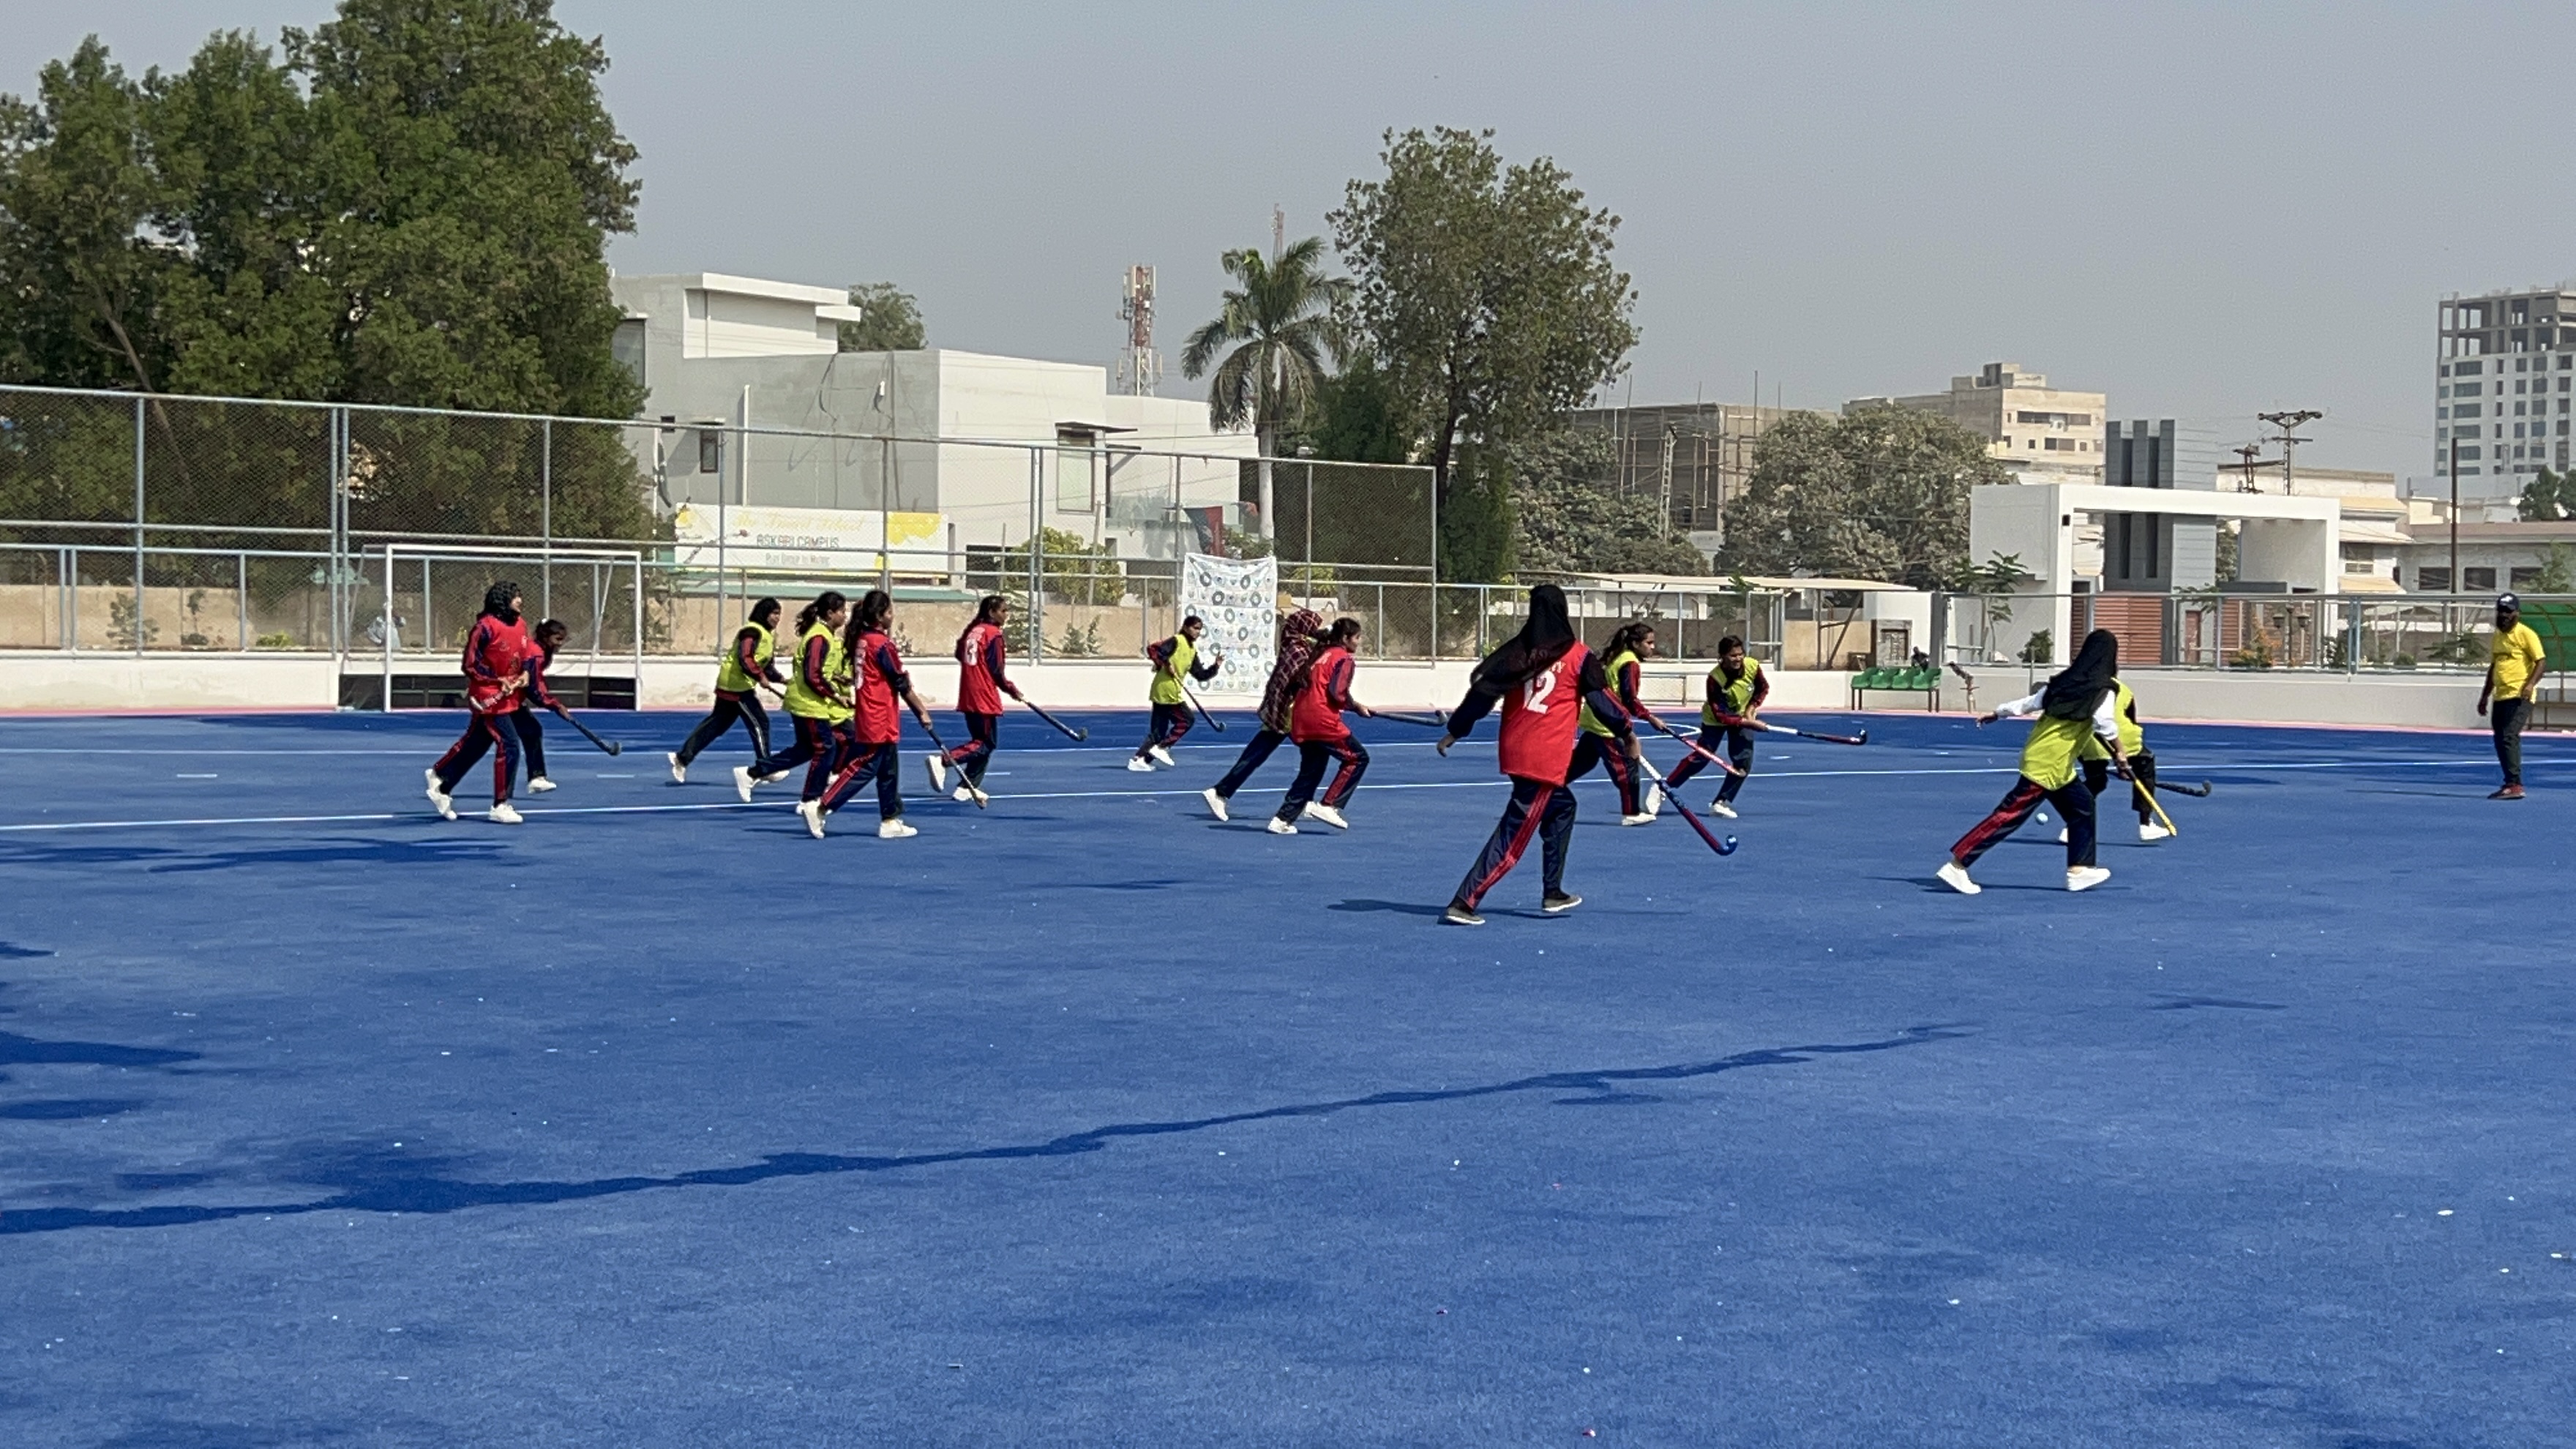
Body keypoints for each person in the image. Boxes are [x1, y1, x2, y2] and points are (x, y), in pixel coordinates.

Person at [1434, 585, 1641, 926]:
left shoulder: (1518, 652)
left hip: (1516, 749)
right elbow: (1603, 703)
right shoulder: (1578, 656)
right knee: (1514, 832)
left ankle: (1553, 891)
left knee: (1563, 807)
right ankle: (1465, 901)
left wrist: (1457, 729)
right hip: (1545, 757)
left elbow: (1482, 694)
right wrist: (1627, 733)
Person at [1938, 629, 2131, 896]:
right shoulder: (2104, 689)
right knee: (2009, 815)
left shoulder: (2064, 681)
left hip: (2054, 764)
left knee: (2082, 807)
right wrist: (2121, 755)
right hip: (2046, 764)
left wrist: (1998, 713)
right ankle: (1958, 865)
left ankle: (2080, 869)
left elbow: (2029, 703)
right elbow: (2105, 724)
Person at [805, 589, 934, 839]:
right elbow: (900, 682)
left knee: (889, 768)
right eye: (889, 612)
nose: (892, 616)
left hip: (874, 711)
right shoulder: (882, 644)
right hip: (879, 714)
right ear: (879, 615)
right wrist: (922, 711)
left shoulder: (862, 639)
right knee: (867, 765)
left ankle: (890, 819)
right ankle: (822, 805)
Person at [425, 581, 532, 825]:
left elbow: (525, 656)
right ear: (503, 599)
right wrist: (497, 680)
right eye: (516, 597)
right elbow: (470, 665)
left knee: (477, 743)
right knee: (510, 744)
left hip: (507, 697)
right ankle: (501, 804)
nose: (520, 601)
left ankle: (442, 779)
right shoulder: (484, 628)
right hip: (487, 697)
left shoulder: (521, 625)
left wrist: (526, 673)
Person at [1202, 607, 1325, 822]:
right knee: (1306, 757)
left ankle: (1223, 791)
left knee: (1263, 754)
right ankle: (1221, 792)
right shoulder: (1298, 650)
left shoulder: (1295, 643)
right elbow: (1300, 677)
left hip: (1284, 711)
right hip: (1286, 713)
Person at [1268, 618, 1372, 835]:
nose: (1359, 642)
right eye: (1357, 637)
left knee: (1311, 770)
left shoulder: (1320, 655)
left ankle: (1282, 819)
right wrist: (1355, 706)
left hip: (1302, 717)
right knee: (1358, 758)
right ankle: (1329, 805)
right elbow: (1337, 693)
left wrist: (1353, 705)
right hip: (1321, 719)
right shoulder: (1343, 658)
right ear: (1345, 638)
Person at [670, 598, 785, 790]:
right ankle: (766, 767)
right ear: (764, 613)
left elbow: (766, 666)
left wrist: (780, 680)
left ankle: (682, 758)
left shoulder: (767, 637)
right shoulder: (752, 631)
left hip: (734, 685)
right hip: (736, 687)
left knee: (717, 725)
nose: (777, 618)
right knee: (760, 722)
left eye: (779, 613)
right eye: (774, 613)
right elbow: (745, 658)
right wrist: (759, 676)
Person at [753, 591, 853, 807]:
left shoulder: (823, 635)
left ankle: (754, 772)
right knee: (826, 748)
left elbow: (820, 671)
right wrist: (836, 696)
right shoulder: (819, 637)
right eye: (842, 611)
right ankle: (811, 799)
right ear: (830, 613)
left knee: (807, 749)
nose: (845, 616)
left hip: (811, 702)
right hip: (808, 703)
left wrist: (837, 679)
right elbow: (812, 674)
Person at [929, 595, 1022, 806]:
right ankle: (944, 760)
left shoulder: (974, 631)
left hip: (969, 692)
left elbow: (959, 652)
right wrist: (1011, 689)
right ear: (992, 612)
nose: (1006, 615)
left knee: (982, 742)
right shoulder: (994, 635)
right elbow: (997, 671)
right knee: (987, 743)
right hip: (983, 695)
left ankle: (966, 788)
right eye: (1004, 611)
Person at [1659, 635, 1765, 819]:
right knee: (1702, 756)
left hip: (1742, 716)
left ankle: (1721, 802)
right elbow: (1721, 715)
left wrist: (1751, 709)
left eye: (1740, 654)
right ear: (1722, 656)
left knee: (1743, 761)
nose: (1738, 659)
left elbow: (1762, 688)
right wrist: (1748, 722)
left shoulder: (1753, 667)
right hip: (1715, 720)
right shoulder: (1715, 679)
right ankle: (1666, 786)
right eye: (1733, 656)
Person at [1568, 620, 1663, 826]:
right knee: (1627, 768)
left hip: (1595, 718)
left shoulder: (1619, 657)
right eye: (1649, 643)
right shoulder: (1630, 663)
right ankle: (1631, 813)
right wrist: (1650, 717)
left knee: (1582, 763)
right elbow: (1629, 698)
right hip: (1607, 724)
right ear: (1636, 644)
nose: (1652, 647)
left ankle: (1547, 790)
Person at [2075, 673, 2167, 842]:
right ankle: (2146, 824)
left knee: (2095, 782)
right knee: (2145, 767)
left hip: (2087, 740)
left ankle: (2071, 827)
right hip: (2122, 737)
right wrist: (2124, 764)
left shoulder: (2077, 687)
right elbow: (2131, 719)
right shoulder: (2122, 689)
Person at [1128, 615, 1222, 772]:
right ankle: (1163, 747)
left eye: (1200, 629)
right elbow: (1157, 650)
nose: (1197, 632)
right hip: (1166, 690)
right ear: (1186, 627)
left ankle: (1139, 759)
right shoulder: (1176, 641)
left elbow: (1200, 675)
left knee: (1158, 732)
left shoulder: (1192, 650)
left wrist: (1216, 666)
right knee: (1187, 720)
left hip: (1167, 691)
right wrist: (1166, 664)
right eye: (1195, 628)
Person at [2478, 591, 2547, 801]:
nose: (2503, 616)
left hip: (2520, 695)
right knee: (2500, 739)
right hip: (2501, 695)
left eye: (2508, 612)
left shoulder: (2526, 634)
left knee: (2509, 735)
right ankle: (2509, 781)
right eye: (2501, 611)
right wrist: (2484, 696)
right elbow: (2494, 667)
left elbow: (2541, 662)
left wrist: (2530, 684)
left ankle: (2515, 784)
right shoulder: (2498, 637)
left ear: (2517, 613)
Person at [508, 618, 571, 794]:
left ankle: (536, 777)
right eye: (557, 639)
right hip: (503, 697)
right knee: (487, 741)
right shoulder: (536, 654)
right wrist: (555, 706)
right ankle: (444, 776)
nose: (560, 644)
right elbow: (534, 688)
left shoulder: (540, 651)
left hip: (512, 697)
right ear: (546, 637)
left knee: (532, 731)